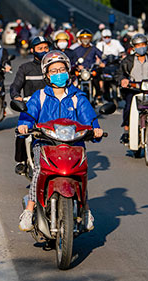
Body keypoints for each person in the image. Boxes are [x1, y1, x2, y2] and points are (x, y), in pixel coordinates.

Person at [17, 50, 103, 232]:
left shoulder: (77, 96)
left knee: (81, 173)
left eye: (62, 69)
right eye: (54, 71)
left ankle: (86, 211)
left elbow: (88, 116)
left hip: (73, 144)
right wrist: (24, 125)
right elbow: (28, 114)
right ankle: (29, 210)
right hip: (45, 143)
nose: (58, 74)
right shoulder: (39, 96)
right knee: (39, 171)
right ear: (47, 75)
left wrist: (95, 128)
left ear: (68, 71)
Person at [9, 36, 50, 174]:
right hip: (30, 108)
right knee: (22, 132)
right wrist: (16, 96)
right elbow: (15, 86)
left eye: (46, 48)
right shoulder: (25, 68)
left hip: (51, 108)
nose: (43, 51)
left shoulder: (54, 68)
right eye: (40, 48)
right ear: (32, 50)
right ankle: (21, 161)